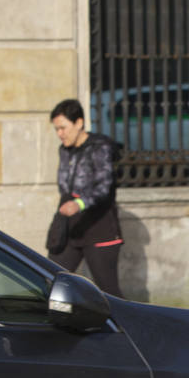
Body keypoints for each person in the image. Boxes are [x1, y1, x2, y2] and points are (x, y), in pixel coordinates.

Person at [49, 98, 124, 297]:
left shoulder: (99, 147)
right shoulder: (64, 150)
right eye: (56, 129)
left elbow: (105, 187)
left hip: (98, 226)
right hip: (70, 227)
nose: (60, 134)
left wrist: (80, 203)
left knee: (109, 292)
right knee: (50, 280)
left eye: (63, 128)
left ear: (79, 123)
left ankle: (128, 326)